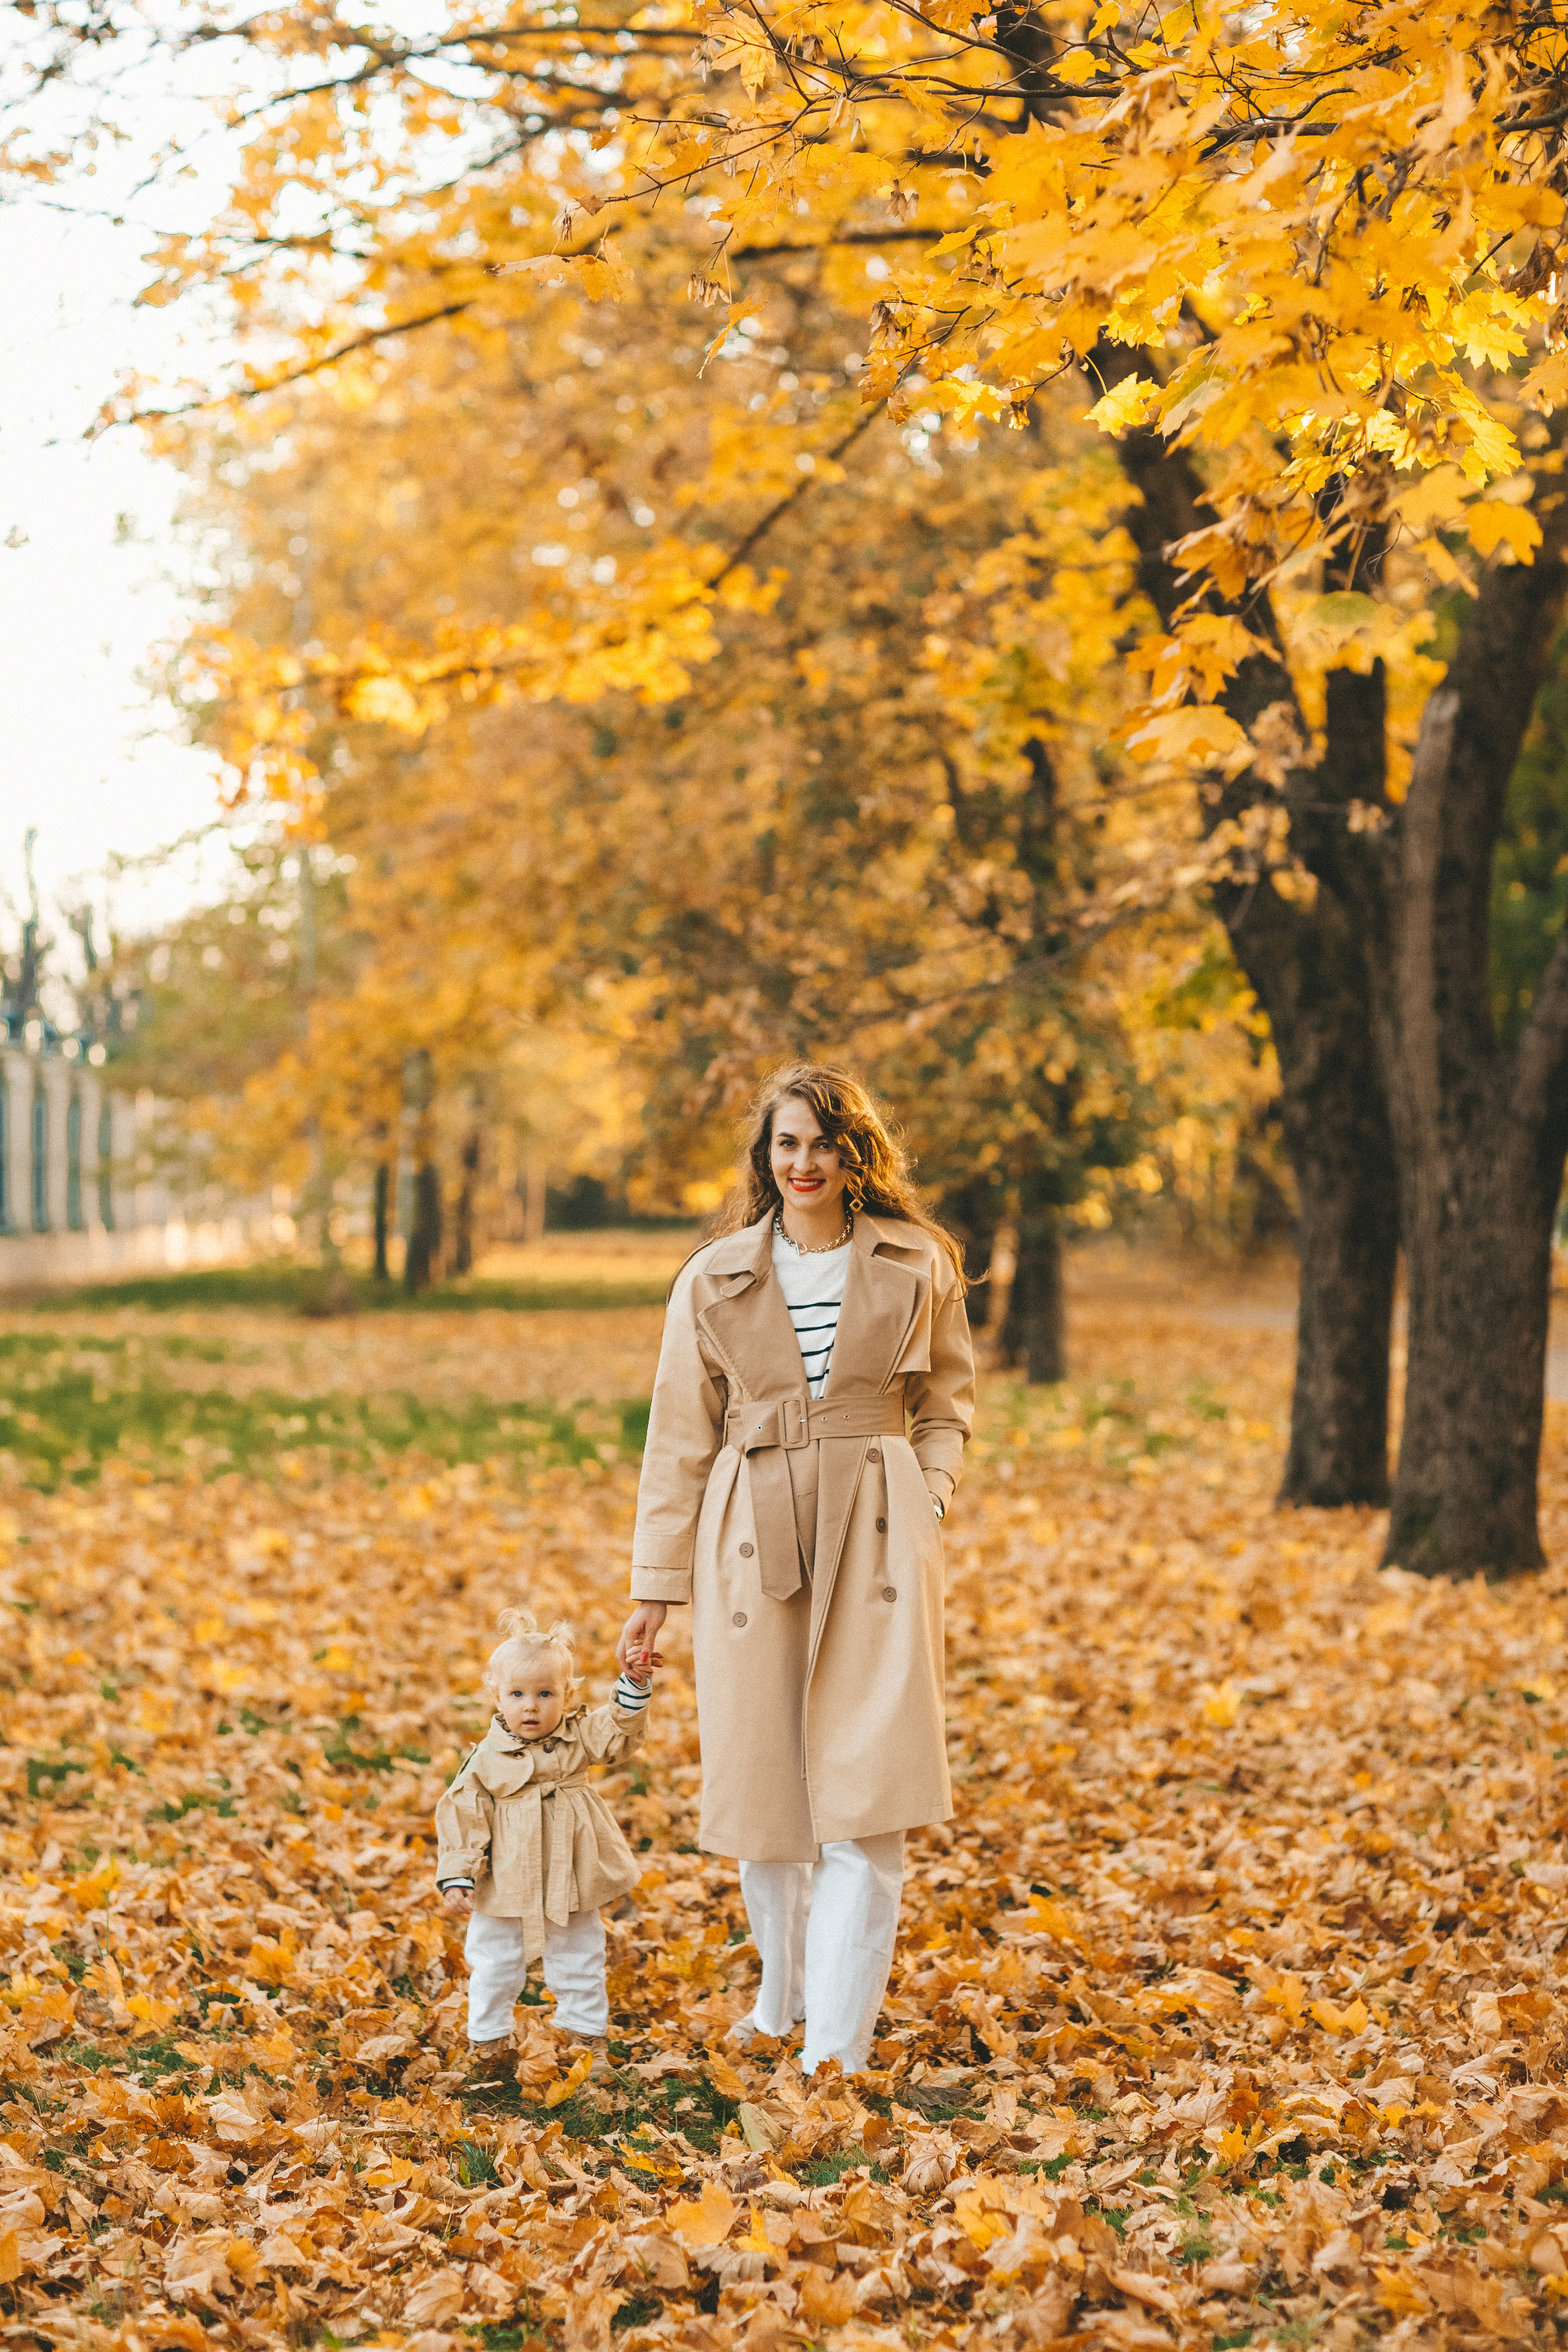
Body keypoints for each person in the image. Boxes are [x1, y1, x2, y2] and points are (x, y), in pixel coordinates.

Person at [618, 1063, 974, 2075]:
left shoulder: (919, 1261)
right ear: (763, 1158)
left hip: (876, 1527)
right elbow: (678, 1436)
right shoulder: (713, 1275)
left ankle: (837, 2049)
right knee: (767, 1788)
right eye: (785, 1143)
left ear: (853, 1151)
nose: (803, 1162)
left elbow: (949, 1400)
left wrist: (929, 1496)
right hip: (750, 1527)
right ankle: (784, 1994)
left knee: (871, 1791)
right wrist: (655, 1590)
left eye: (822, 1142)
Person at [435, 1607, 653, 2069]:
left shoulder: (578, 1738)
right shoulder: (486, 1760)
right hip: (506, 1879)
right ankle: (489, 2040)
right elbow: (464, 1815)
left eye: (545, 1693)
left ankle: (584, 2036)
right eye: (517, 1694)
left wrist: (633, 1685)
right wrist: (459, 1875)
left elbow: (617, 1733)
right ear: (496, 1695)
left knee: (579, 1955)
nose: (530, 1706)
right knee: (493, 1959)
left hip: (569, 1872)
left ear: (567, 1695)